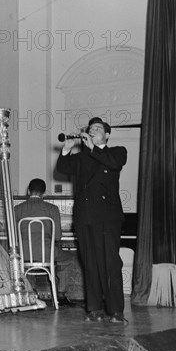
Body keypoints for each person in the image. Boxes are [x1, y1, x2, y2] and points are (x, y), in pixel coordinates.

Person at [56, 117, 128, 323]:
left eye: (98, 128)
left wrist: (93, 148)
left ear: (107, 134)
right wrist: (66, 149)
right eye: (91, 128)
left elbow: (113, 163)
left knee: (110, 263)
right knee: (90, 263)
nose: (93, 130)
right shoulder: (82, 158)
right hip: (84, 217)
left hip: (107, 217)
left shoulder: (117, 152)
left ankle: (116, 311)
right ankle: (94, 309)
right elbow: (63, 167)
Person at [14, 178, 77, 299]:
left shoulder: (17, 209)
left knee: (25, 264)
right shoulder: (52, 209)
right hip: (47, 254)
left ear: (28, 191)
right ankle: (61, 294)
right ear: (44, 193)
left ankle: (31, 292)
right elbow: (58, 237)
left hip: (24, 255)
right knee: (68, 258)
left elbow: (14, 237)